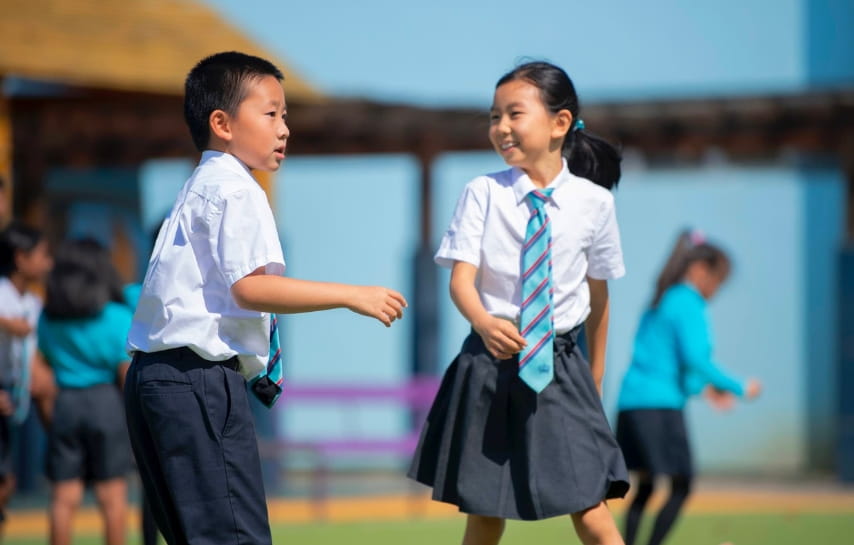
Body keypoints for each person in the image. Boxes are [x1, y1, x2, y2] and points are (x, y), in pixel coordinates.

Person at [124, 51, 407, 545]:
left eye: (285, 116)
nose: (284, 129)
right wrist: (351, 295)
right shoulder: (236, 188)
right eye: (271, 113)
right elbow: (250, 287)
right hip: (199, 383)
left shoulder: (197, 186)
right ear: (222, 123)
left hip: (155, 378)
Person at [408, 61, 629, 545]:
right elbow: (461, 281)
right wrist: (484, 322)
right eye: (494, 117)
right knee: (485, 515)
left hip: (563, 371)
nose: (501, 128)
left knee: (591, 509)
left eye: (514, 114)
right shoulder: (482, 192)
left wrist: (595, 377)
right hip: (488, 367)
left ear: (560, 123)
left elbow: (599, 296)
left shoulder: (596, 204)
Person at [614, 230, 761, 545]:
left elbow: (667, 362)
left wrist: (706, 392)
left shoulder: (662, 297)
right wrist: (739, 387)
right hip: (659, 407)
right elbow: (696, 360)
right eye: (718, 280)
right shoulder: (687, 301)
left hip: (633, 403)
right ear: (699, 271)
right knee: (682, 485)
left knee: (648, 486)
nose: (716, 289)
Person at [38, 239, 133, 545]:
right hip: (106, 403)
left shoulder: (47, 318)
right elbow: (126, 374)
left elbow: (42, 367)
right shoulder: (117, 316)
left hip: (65, 401)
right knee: (112, 495)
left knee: (64, 496)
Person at [0, 222, 52, 530]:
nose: (49, 263)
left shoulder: (33, 302)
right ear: (21, 257)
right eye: (43, 254)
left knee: (8, 481)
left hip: (15, 395)